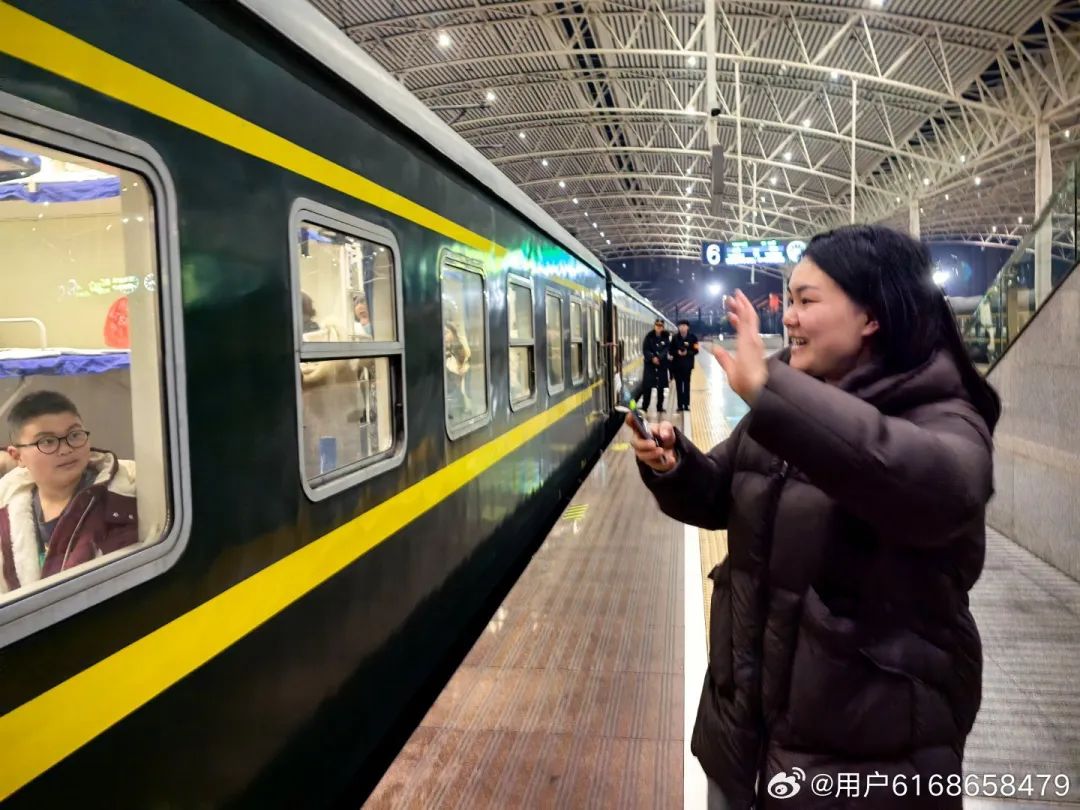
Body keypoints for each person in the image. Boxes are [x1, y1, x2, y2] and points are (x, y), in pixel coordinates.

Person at [629, 225, 999, 809]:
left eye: (806, 300)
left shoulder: (942, 415)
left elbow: (938, 489)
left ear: (870, 316)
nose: (789, 316)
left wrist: (774, 394)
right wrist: (676, 465)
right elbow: (721, 492)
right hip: (742, 738)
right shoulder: (787, 401)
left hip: (862, 764)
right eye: (790, 299)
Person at [1, 390, 138, 594]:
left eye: (74, 435)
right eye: (47, 441)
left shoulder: (125, 500)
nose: (66, 449)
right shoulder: (6, 517)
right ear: (17, 456)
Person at [641, 318, 671, 412]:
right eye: (657, 325)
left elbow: (666, 349)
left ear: (663, 327)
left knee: (660, 387)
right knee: (647, 387)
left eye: (660, 326)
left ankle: (659, 407)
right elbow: (645, 349)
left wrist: (659, 357)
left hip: (661, 365)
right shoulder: (649, 337)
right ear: (654, 326)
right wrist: (652, 357)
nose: (658, 327)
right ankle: (645, 406)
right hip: (650, 365)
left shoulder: (666, 337)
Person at [670, 319, 699, 411]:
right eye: (680, 326)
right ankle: (680, 405)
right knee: (678, 385)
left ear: (687, 327)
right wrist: (677, 352)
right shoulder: (674, 338)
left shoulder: (693, 338)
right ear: (678, 327)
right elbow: (670, 350)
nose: (682, 328)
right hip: (677, 366)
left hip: (687, 366)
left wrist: (687, 352)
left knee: (686, 385)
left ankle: (686, 405)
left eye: (684, 326)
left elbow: (696, 350)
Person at [444, 323, 470, 421]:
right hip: (451, 400)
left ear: (453, 333)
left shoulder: (458, 354)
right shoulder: (445, 354)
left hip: (455, 401)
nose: (444, 336)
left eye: (446, 333)